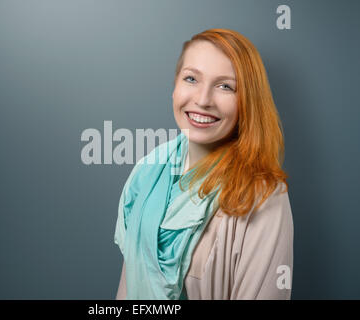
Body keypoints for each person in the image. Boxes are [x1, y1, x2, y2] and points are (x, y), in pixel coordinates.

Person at [114, 28, 293, 300]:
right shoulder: (147, 172)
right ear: (174, 87)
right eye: (191, 79)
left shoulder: (262, 196)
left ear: (247, 102)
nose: (203, 100)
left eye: (225, 86)